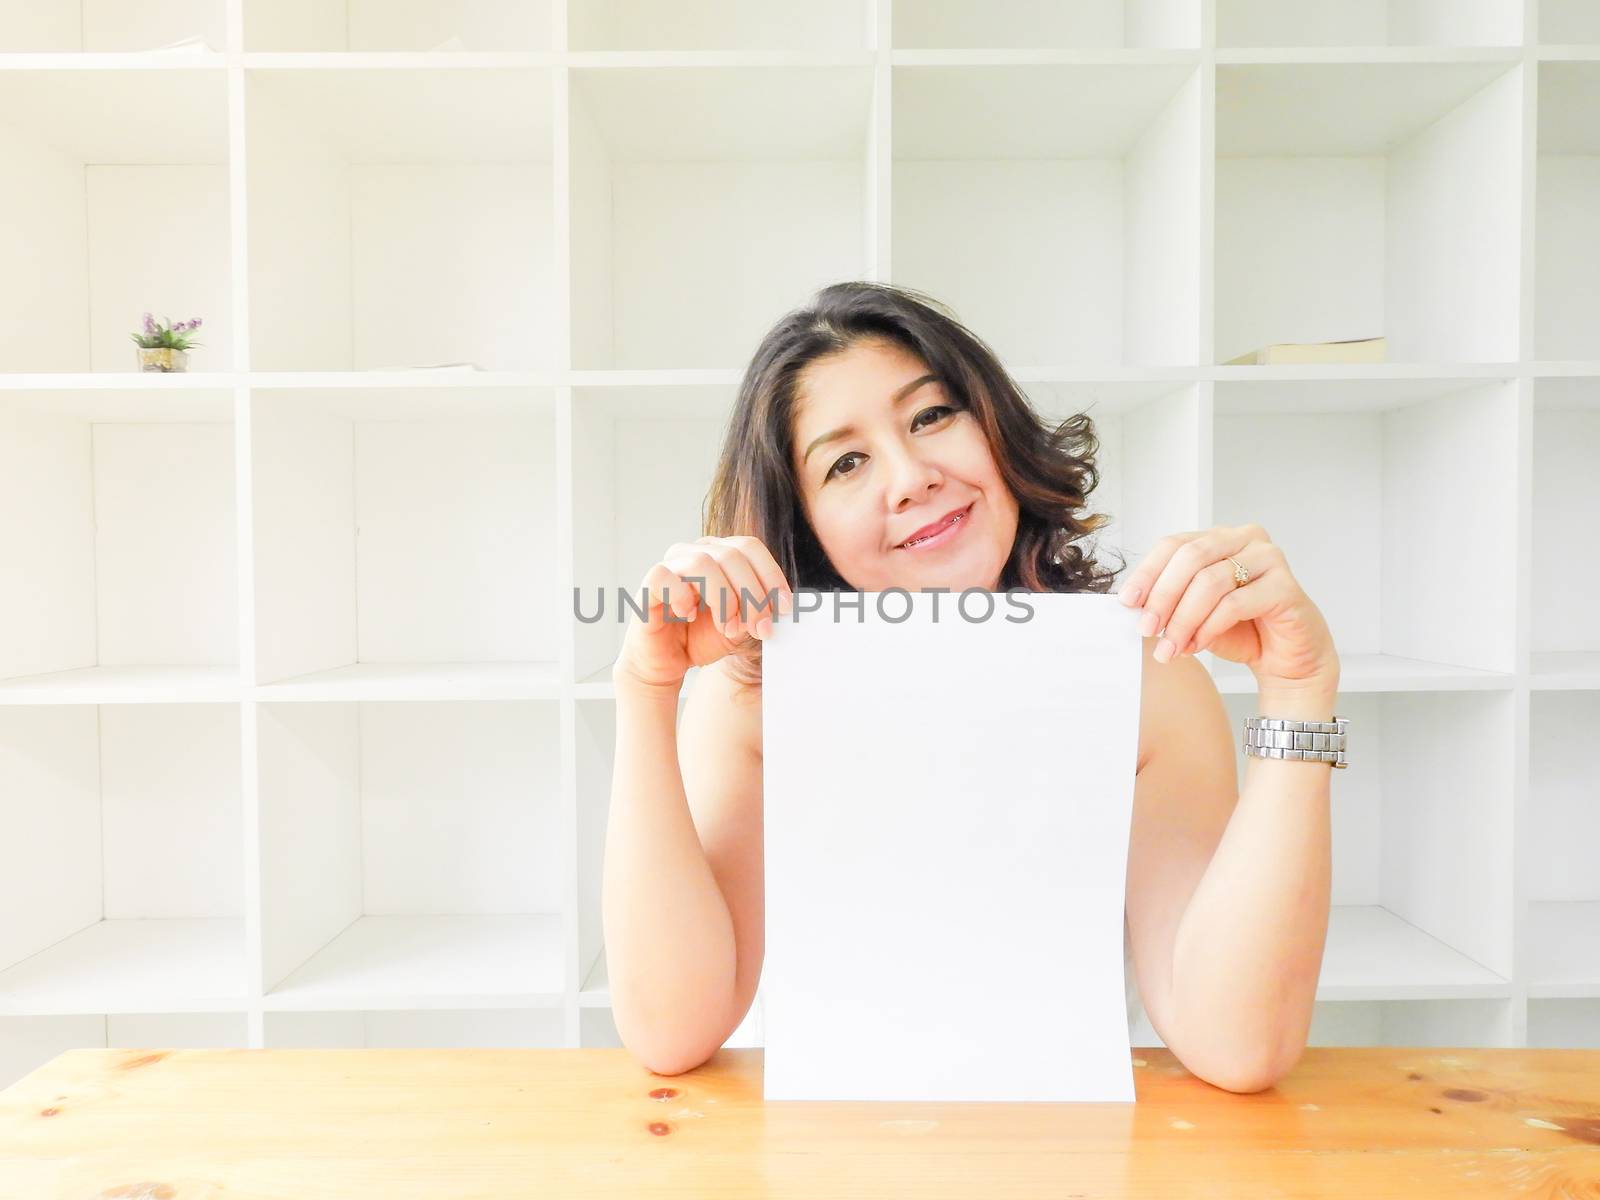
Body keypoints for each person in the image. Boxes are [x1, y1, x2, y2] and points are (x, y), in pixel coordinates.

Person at [601, 281, 1342, 1095]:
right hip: (820, 1152)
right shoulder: (753, 695)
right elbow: (671, 1033)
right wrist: (644, 691)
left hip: (1069, 1151)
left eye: (931, 416)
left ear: (994, 429)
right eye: (846, 461)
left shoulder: (1146, 677)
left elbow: (1240, 1046)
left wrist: (1299, 691)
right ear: (802, 519)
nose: (911, 476)